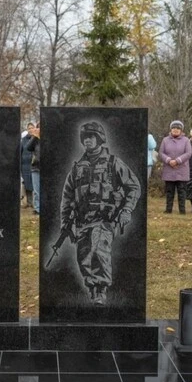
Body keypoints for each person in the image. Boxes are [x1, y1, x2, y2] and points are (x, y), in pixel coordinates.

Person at [59, 121, 140, 305]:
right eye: (85, 138)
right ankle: (92, 288)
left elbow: (133, 186)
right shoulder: (77, 167)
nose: (88, 141)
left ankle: (100, 291)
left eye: (91, 137)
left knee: (98, 251)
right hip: (82, 221)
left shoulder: (113, 163)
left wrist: (126, 210)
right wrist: (65, 223)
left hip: (104, 220)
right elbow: (67, 197)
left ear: (99, 139)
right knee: (83, 256)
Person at [159, 120, 192, 214]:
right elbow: (161, 153)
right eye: (174, 128)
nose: (175, 130)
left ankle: (182, 210)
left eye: (178, 128)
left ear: (181, 130)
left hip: (182, 169)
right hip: (169, 169)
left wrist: (178, 160)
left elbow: (189, 153)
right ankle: (168, 209)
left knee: (182, 191)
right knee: (169, 191)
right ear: (170, 129)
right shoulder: (165, 140)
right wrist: (169, 160)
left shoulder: (186, 140)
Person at [25, 123, 40, 214]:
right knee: (36, 191)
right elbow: (28, 147)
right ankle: (37, 208)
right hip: (36, 167)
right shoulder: (35, 139)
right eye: (38, 128)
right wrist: (35, 136)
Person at [20, 122, 35, 208]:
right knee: (27, 184)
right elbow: (20, 152)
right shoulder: (23, 140)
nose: (30, 130)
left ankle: (34, 202)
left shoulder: (36, 139)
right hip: (25, 165)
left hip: (34, 165)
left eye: (32, 128)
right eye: (29, 128)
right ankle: (29, 203)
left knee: (34, 184)